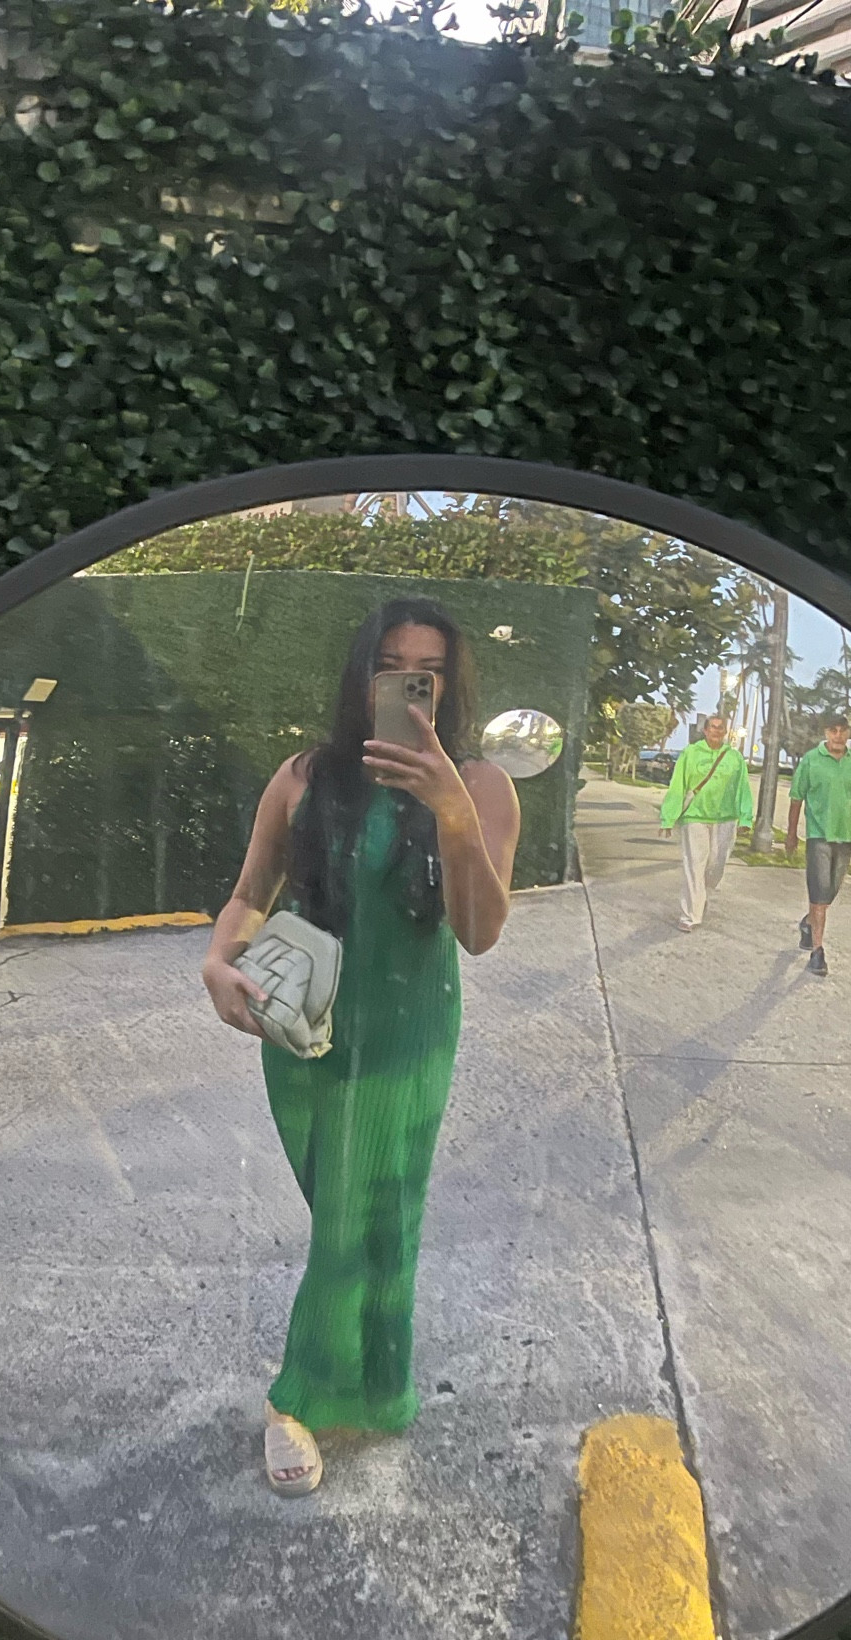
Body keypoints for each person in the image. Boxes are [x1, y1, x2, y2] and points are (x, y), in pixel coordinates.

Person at [201, 598, 521, 1496]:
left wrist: (450, 808)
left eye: (431, 671)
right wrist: (217, 962)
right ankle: (374, 1387)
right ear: (362, 674)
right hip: (305, 1020)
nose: (411, 683)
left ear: (451, 686)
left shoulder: (483, 785)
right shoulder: (303, 777)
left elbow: (479, 932)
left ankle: (298, 1397)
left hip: (409, 1030)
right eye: (392, 665)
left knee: (370, 1210)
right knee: (349, 1210)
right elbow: (249, 895)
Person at [784, 711, 851, 978]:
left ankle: (808, 923)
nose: (838, 735)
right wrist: (791, 834)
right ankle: (817, 952)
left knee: (829, 893)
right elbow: (796, 799)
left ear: (848, 733)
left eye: (842, 731)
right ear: (825, 733)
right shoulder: (811, 760)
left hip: (844, 837)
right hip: (818, 836)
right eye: (833, 730)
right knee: (819, 893)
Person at [657, 711, 753, 931]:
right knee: (694, 865)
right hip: (695, 817)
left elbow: (743, 789)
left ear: (726, 732)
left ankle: (701, 896)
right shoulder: (691, 753)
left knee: (716, 866)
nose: (716, 731)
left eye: (721, 727)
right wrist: (668, 818)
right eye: (713, 727)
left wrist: (745, 817)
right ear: (705, 730)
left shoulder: (734, 757)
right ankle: (690, 915)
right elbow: (678, 786)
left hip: (725, 818)